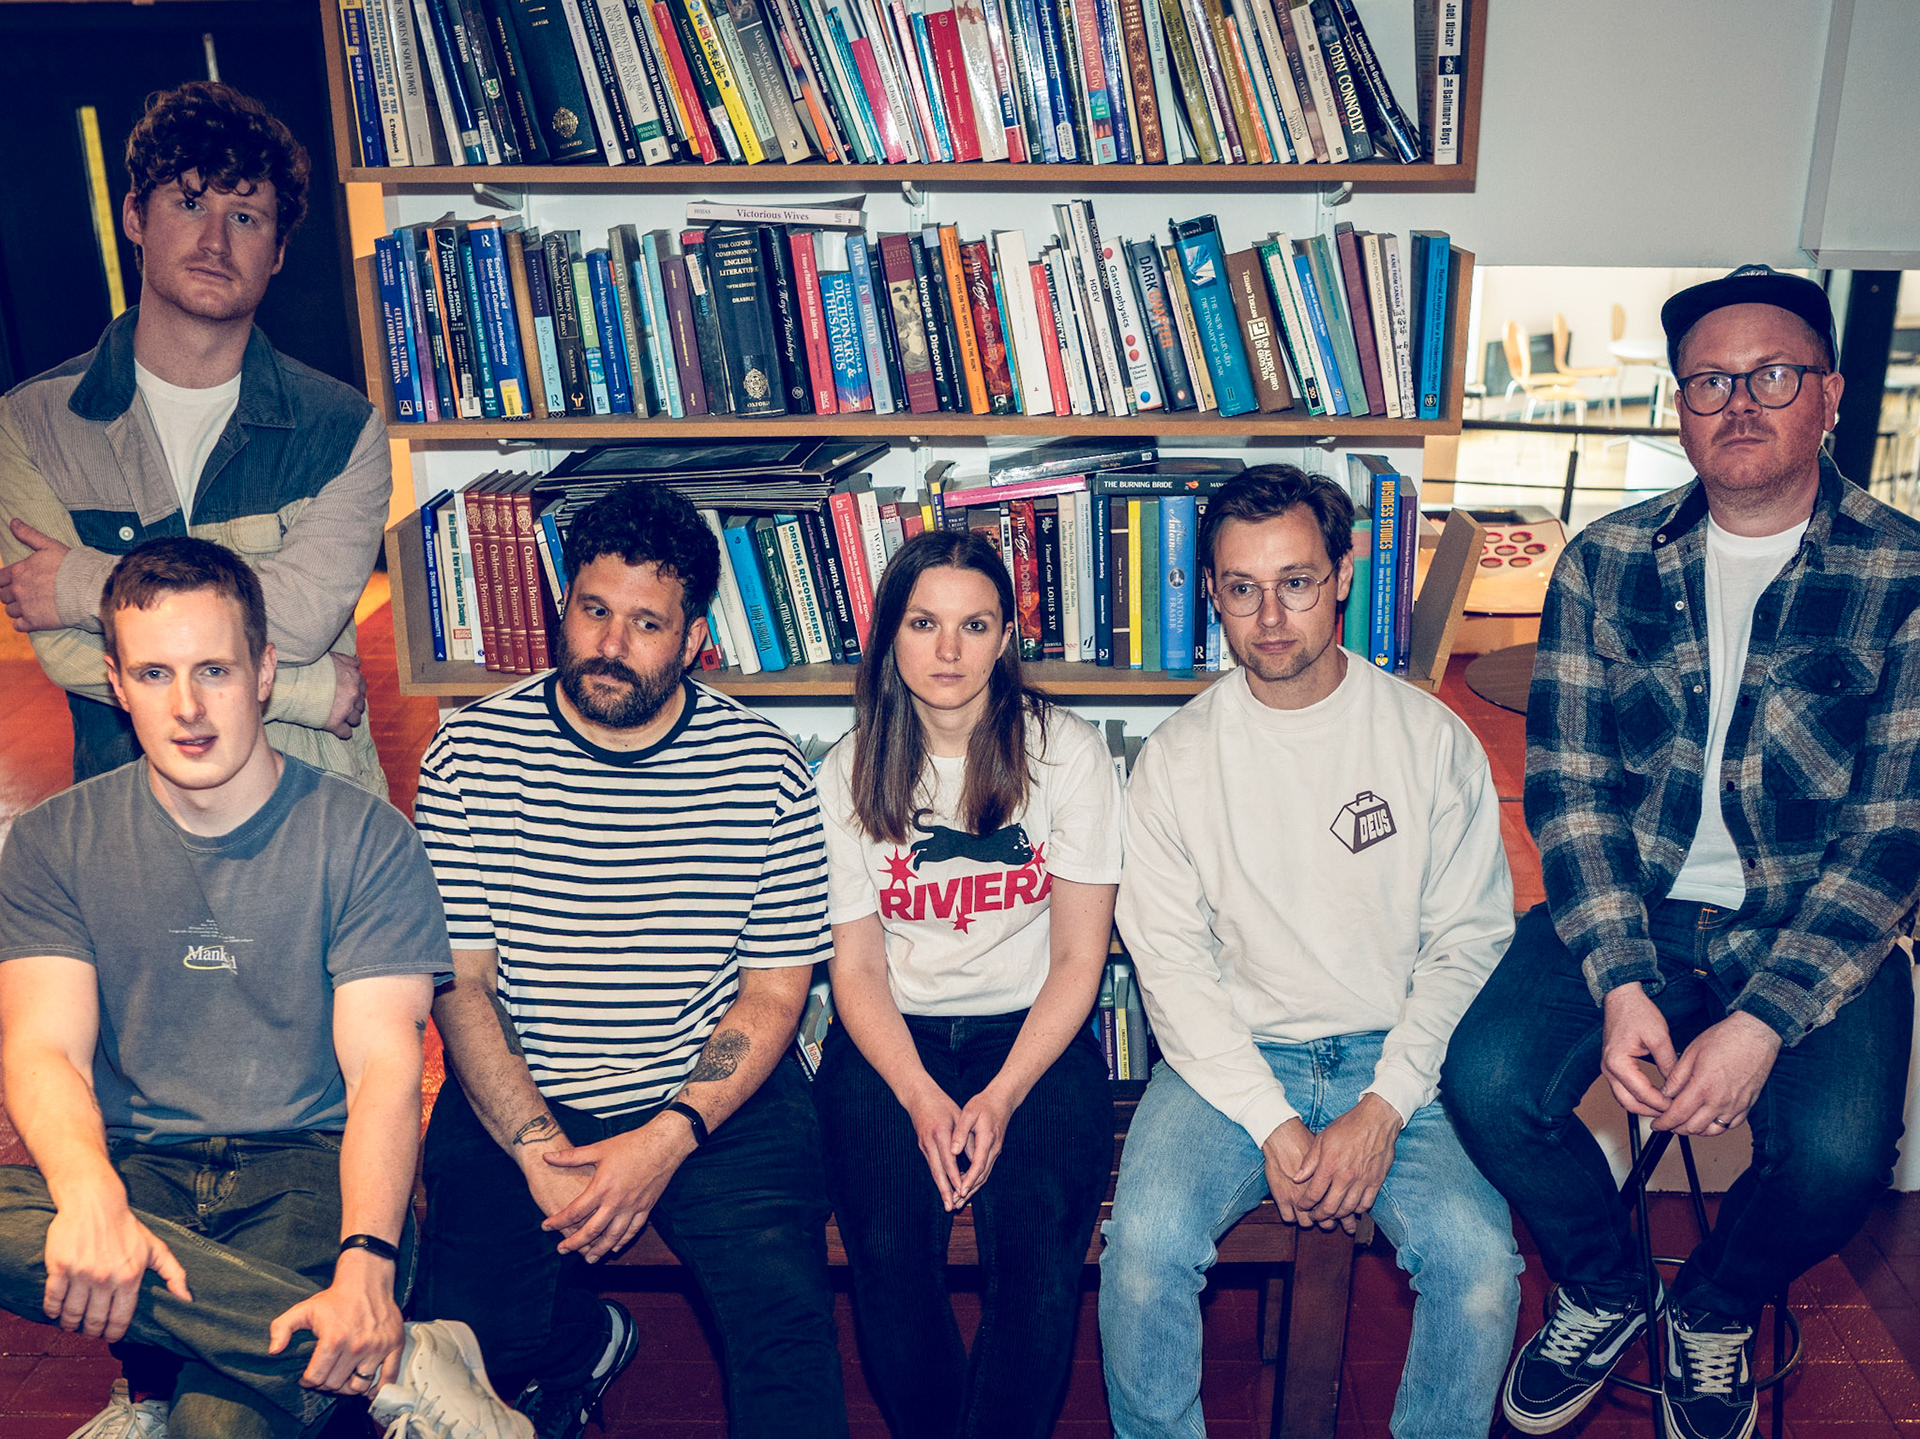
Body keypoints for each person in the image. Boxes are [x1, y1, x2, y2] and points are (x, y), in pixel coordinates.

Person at [1443, 265, 1920, 1439]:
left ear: (1829, 394)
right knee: (1487, 1081)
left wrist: (1764, 1022)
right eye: (1711, 381)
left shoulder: (1904, 572)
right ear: (1679, 404)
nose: (1740, 401)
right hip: (1636, 905)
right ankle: (1605, 1287)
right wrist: (1619, 978)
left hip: (1817, 922)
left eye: (1774, 375)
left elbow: (1892, 837)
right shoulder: (1604, 561)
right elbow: (1571, 789)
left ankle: (1713, 1304)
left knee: (1841, 1156)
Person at [0, 536, 528, 1439]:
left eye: (214, 669)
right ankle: (395, 1363)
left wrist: (367, 1259)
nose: (189, 706)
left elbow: (383, 1070)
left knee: (217, 1428)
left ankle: (169, 1389)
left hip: (306, 1171)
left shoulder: (367, 838)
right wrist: (90, 1194)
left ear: (266, 674)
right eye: (155, 673)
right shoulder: (56, 840)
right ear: (117, 685)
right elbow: (43, 1046)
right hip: (140, 1165)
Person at [412, 482, 847, 1439]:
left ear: (694, 640)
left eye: (647, 623)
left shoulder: (764, 766)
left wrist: (666, 1138)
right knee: (468, 1344)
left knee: (788, 1342)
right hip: (525, 1086)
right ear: (562, 604)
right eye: (593, 609)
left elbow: (776, 993)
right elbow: (461, 985)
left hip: (710, 1092)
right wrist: (536, 1147)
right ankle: (582, 1344)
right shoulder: (468, 754)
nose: (610, 644)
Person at [1099, 465, 1522, 1439]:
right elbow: (1170, 965)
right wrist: (1271, 1119)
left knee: (1479, 1269)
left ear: (1342, 575)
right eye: (1242, 588)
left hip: (1402, 1053)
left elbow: (1467, 942)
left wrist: (1385, 1104)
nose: (1270, 615)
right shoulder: (1176, 760)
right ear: (1212, 594)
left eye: (1295, 581)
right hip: (1230, 1059)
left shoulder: (1427, 739)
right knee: (1144, 1250)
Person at [811, 530, 1121, 1439]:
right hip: (892, 1038)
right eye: (924, 623)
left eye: (974, 625)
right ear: (890, 636)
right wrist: (919, 1095)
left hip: (1032, 1034)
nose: (948, 650)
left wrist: (1000, 1094)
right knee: (886, 1254)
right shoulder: (846, 769)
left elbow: (1080, 959)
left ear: (1004, 638)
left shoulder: (1067, 755)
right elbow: (856, 967)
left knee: (1037, 1256)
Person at [0, 81, 387, 793]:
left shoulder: (342, 428)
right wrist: (308, 691)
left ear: (277, 251)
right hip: (130, 816)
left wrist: (81, 582)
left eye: (244, 216)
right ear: (134, 217)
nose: (215, 241)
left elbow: (300, 620)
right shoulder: (29, 424)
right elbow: (64, 650)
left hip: (313, 809)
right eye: (188, 204)